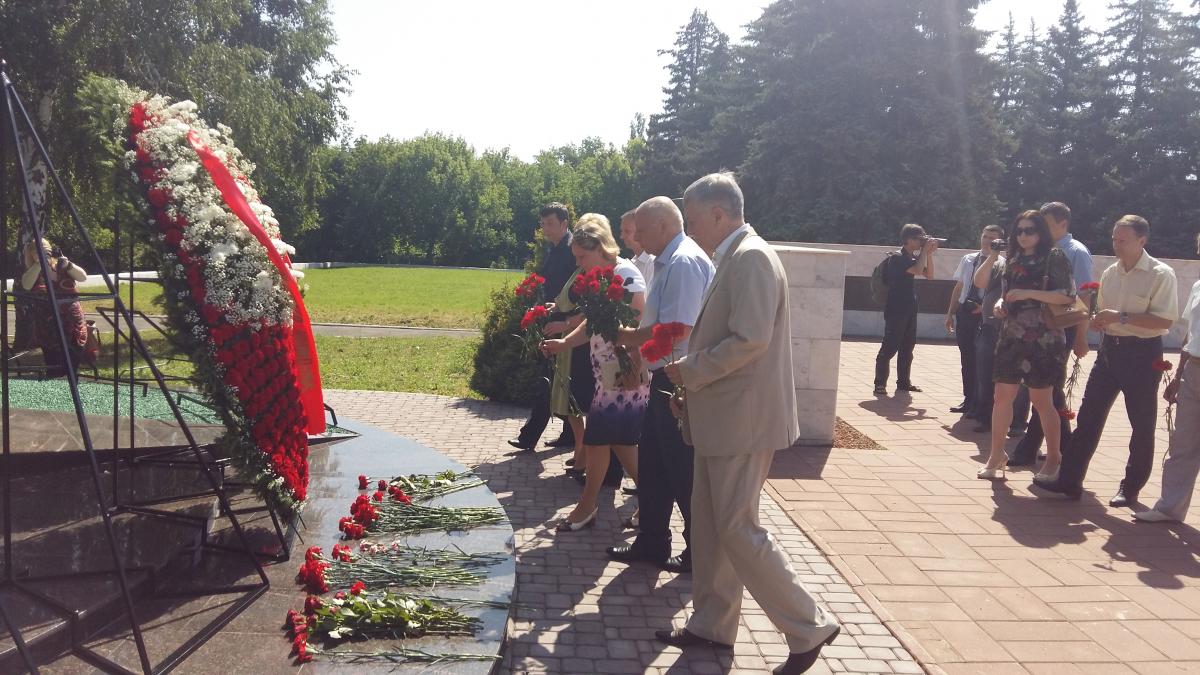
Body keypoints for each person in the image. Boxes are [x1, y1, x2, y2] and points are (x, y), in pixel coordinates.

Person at [659, 173, 839, 675]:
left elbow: (749, 340)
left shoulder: (752, 257)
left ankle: (808, 625)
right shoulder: (734, 256)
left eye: (692, 220)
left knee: (737, 528)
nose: (690, 229)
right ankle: (712, 626)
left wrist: (690, 372)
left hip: (743, 421)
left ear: (719, 213)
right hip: (723, 417)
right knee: (713, 526)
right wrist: (690, 389)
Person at [1035, 215, 1179, 507]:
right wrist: (1097, 321)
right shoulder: (1112, 272)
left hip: (1142, 353)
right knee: (1088, 417)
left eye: (1123, 240)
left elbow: (1165, 319)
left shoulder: (1161, 273)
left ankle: (1131, 486)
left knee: (1141, 424)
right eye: (1114, 238)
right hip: (1110, 351)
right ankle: (1069, 481)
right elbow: (1100, 310)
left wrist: (1120, 317)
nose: (1117, 245)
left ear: (1143, 240)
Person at [609, 196, 714, 574]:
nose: (635, 235)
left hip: (678, 381)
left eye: (642, 228)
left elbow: (677, 330)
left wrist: (628, 339)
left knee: (681, 470)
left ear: (664, 226)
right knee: (654, 467)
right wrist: (639, 357)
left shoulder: (683, 262)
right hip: (664, 378)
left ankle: (698, 551)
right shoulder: (667, 261)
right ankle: (652, 542)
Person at [542, 214, 648, 531]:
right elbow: (593, 322)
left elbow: (640, 319)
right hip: (609, 373)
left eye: (582, 257)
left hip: (623, 375)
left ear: (600, 247)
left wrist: (632, 360)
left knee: (602, 439)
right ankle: (651, 502)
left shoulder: (625, 273)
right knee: (618, 443)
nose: (579, 264)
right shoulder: (603, 276)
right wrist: (565, 343)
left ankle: (587, 507)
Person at [974, 211, 1075, 481]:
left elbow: (1067, 296)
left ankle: (1054, 458)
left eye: (1029, 230)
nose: (1023, 235)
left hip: (1044, 336)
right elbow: (995, 291)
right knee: (1001, 396)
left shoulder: (1054, 257)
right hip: (1012, 334)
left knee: (1042, 400)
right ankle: (996, 455)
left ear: (1041, 232)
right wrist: (1000, 305)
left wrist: (1030, 293)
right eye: (1019, 230)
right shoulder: (1012, 259)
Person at [1008, 201, 1094, 466]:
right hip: (1036, 330)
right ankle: (1063, 446)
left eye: (1044, 225)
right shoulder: (1043, 251)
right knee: (1048, 389)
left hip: (1060, 330)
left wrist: (1081, 337)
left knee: (1046, 389)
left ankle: (1032, 449)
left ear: (1062, 224)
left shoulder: (1075, 252)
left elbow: (1083, 296)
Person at [1135, 233, 1200, 524]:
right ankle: (1169, 508)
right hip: (1194, 370)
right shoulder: (1198, 285)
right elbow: (1189, 334)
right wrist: (1179, 372)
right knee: (1182, 443)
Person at [508, 203, 579, 452]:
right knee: (557, 379)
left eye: (550, 223)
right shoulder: (554, 249)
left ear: (564, 224)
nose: (545, 229)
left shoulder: (573, 251)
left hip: (569, 324)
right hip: (553, 319)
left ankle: (530, 436)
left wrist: (563, 317)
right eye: (542, 223)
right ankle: (569, 434)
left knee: (550, 379)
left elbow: (576, 292)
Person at [971, 225, 1033, 435]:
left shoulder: (1028, 265)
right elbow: (979, 282)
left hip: (1018, 330)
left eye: (995, 240)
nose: (989, 242)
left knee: (1018, 377)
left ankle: (1016, 423)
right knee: (986, 373)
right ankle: (987, 418)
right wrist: (993, 254)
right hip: (990, 327)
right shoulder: (997, 263)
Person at [874, 224, 937, 396]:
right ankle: (879, 384)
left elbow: (929, 275)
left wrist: (929, 254)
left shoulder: (912, 257)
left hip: (910, 307)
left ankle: (903, 382)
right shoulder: (897, 257)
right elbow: (917, 270)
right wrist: (925, 252)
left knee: (907, 348)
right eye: (920, 239)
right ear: (909, 240)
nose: (922, 242)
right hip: (896, 307)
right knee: (889, 347)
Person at [945, 226, 999, 416]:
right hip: (964, 313)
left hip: (984, 316)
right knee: (966, 358)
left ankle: (981, 404)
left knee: (982, 361)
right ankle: (968, 399)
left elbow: (1000, 292)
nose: (986, 241)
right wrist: (950, 313)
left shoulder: (1002, 263)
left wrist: (984, 307)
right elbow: (959, 287)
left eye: (992, 238)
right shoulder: (968, 259)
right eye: (985, 236)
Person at [22, 238, 88, 377]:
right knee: (55, 370)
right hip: (49, 331)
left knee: (72, 368)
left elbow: (82, 277)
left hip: (74, 327)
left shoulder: (61, 266)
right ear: (32, 254)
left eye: (46, 250)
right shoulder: (33, 271)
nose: (44, 254)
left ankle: (74, 395)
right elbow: (26, 285)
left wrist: (69, 264)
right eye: (38, 251)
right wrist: (39, 264)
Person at [620, 209, 655, 288]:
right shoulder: (633, 262)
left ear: (640, 231)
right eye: (622, 231)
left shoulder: (654, 263)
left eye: (627, 231)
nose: (621, 237)